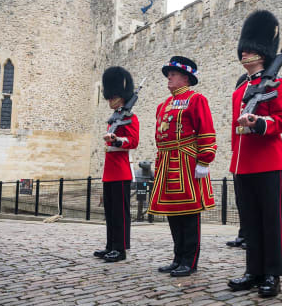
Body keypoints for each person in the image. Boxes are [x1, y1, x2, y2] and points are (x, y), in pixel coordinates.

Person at [227, 10, 282, 297]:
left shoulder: (278, 85)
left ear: (263, 54)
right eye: (244, 50)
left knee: (269, 221)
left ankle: (271, 274)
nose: (245, 55)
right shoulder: (240, 89)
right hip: (243, 163)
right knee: (249, 221)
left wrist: (261, 123)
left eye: (251, 51)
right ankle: (252, 271)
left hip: (267, 162)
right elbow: (234, 130)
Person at [147, 56, 217, 277]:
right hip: (167, 162)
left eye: (173, 74)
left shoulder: (197, 99)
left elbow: (206, 130)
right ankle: (178, 258)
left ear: (185, 78)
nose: (169, 77)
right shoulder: (163, 105)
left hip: (187, 162)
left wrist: (204, 160)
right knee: (173, 213)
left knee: (188, 213)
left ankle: (190, 260)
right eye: (168, 74)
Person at [94, 66, 139, 262]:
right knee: (110, 213)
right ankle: (110, 245)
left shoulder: (130, 118)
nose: (110, 101)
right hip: (110, 172)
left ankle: (120, 249)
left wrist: (116, 140)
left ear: (122, 96)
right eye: (109, 97)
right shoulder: (113, 119)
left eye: (114, 97)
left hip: (121, 171)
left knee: (120, 214)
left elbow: (133, 141)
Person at [225, 73, 250, 250]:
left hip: (252, 154)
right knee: (242, 200)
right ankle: (244, 233)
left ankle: (252, 236)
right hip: (240, 154)